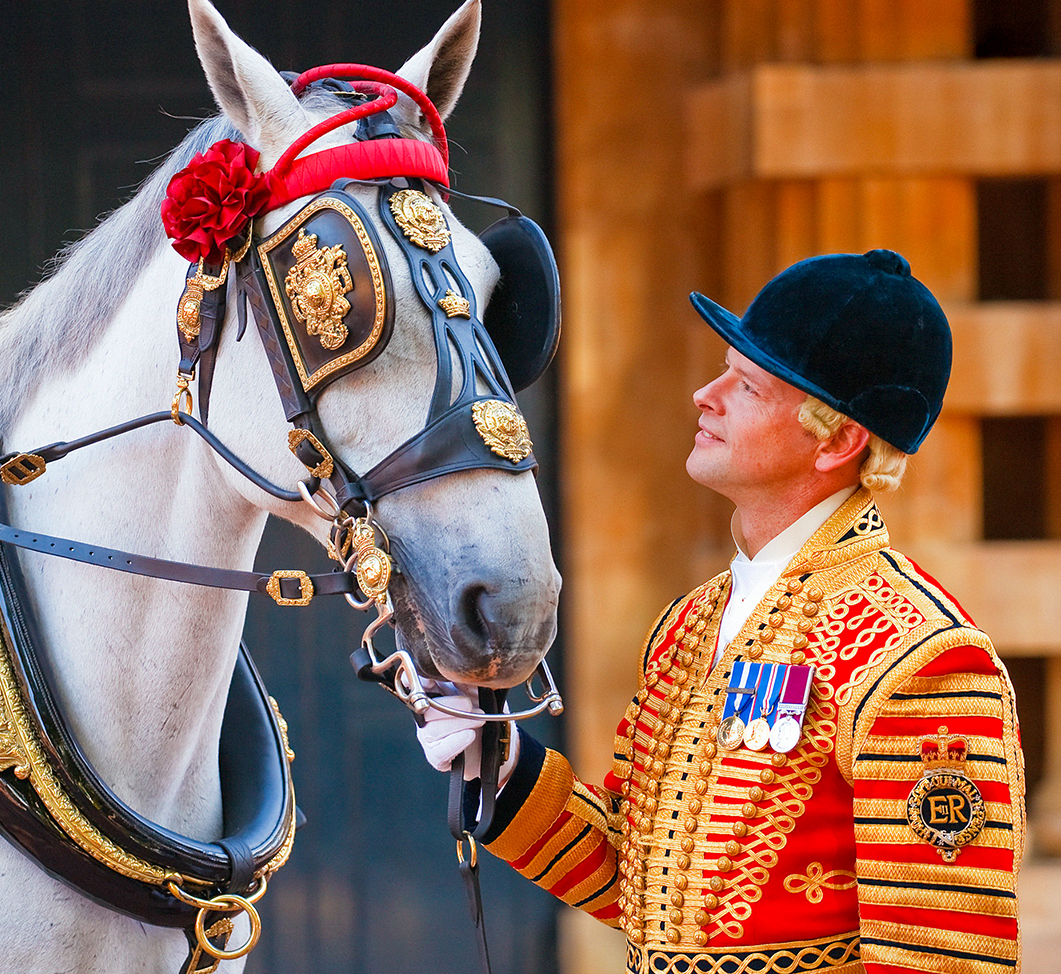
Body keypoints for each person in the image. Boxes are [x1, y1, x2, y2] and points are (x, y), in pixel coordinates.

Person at [417, 250, 1024, 973]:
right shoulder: (688, 623)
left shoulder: (917, 654)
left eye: (747, 385)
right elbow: (639, 883)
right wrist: (500, 764)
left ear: (836, 439)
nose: (706, 394)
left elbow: (942, 956)